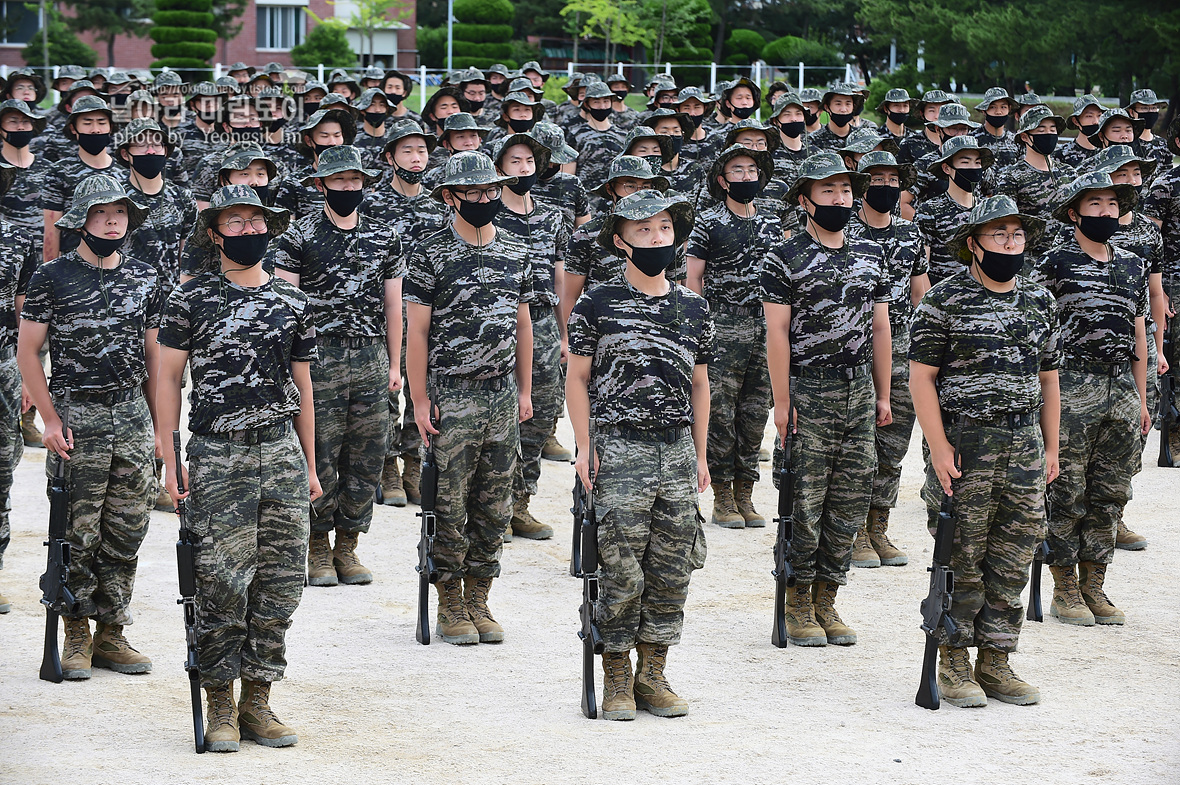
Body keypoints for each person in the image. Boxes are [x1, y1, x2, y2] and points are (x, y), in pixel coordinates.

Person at [158, 184, 317, 753]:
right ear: (214, 232)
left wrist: (311, 464)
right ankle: (219, 700)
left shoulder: (295, 304)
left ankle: (258, 700)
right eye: (236, 223)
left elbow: (303, 387)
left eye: (257, 222)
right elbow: (169, 380)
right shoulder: (189, 298)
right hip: (218, 454)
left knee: (279, 583)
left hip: (280, 454)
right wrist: (169, 456)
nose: (248, 232)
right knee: (222, 582)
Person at [566, 189, 712, 720]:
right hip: (618, 448)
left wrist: (700, 454)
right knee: (622, 569)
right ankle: (618, 676)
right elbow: (578, 379)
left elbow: (700, 384)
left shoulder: (693, 306)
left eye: (664, 229)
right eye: (644, 230)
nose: (657, 239)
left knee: (673, 566)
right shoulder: (597, 302)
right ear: (620, 241)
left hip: (675, 450)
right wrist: (585, 447)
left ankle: (654, 672)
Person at [909, 195, 1059, 707]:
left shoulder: (1039, 300)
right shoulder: (944, 300)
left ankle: (996, 659)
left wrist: (1051, 445)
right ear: (973, 244)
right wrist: (938, 444)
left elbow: (1049, 378)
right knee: (962, 557)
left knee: (1013, 557)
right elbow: (921, 379)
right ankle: (953, 659)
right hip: (968, 443)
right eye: (999, 235)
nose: (1010, 244)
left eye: (1016, 236)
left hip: (1025, 444)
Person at [17, 175, 159, 680]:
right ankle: (75, 628)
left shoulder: (145, 276)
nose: (112, 221)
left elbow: (154, 357)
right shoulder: (52, 276)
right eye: (101, 213)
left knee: (127, 527)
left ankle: (111, 630)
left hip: (133, 416)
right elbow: (28, 351)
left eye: (119, 212)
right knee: (78, 530)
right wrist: (50, 418)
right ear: (82, 219)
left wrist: (161, 431)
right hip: (79, 417)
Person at [761, 152, 892, 648]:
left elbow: (880, 326)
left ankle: (827, 598)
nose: (839, 200)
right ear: (805, 200)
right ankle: (797, 600)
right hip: (807, 389)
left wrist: (882, 393)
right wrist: (782, 399)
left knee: (850, 498)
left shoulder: (869, 254)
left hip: (858, 390)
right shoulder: (784, 255)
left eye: (844, 191)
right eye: (828, 192)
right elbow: (776, 332)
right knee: (806, 501)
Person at [404, 152, 533, 646]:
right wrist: (419, 400)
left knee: (495, 502)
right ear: (449, 197)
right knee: (450, 503)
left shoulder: (517, 250)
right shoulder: (430, 252)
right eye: (474, 192)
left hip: (501, 395)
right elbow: (416, 333)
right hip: (450, 396)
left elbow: (522, 323)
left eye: (491, 191)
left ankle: (479, 595)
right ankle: (449, 600)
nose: (485, 199)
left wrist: (524, 388)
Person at [272, 146, 402, 587]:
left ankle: (348, 544)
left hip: (370, 354)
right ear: (321, 183)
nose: (348, 188)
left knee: (366, 454)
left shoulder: (386, 236)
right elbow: (286, 306)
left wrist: (394, 362)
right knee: (319, 451)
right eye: (339, 181)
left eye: (355, 180)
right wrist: (292, 365)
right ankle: (317, 545)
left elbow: (394, 305)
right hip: (317, 355)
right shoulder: (298, 235)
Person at [1031, 172, 1150, 628]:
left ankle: (1094, 582)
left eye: (1112, 203)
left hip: (1119, 386)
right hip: (1070, 384)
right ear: (1073, 213)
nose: (1106, 212)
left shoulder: (1133, 263)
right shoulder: (1054, 263)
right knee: (1067, 491)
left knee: (1111, 492)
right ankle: (1063, 586)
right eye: (1095, 204)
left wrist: (1139, 398)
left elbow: (1139, 333)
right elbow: (1037, 329)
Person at [686, 144, 781, 529]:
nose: (746, 176)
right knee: (721, 412)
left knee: (757, 410)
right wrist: (693, 324)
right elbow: (694, 276)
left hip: (765, 325)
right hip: (723, 321)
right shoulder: (708, 222)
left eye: (752, 170)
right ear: (723, 180)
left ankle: (746, 491)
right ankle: (722, 494)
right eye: (737, 170)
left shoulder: (772, 223)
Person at [846, 151, 930, 568]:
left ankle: (878, 526)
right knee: (860, 445)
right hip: (856, 346)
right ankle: (854, 529)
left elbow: (921, 294)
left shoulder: (911, 234)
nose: (885, 186)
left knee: (893, 444)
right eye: (875, 179)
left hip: (901, 347)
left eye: (892, 179)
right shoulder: (844, 231)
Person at [366, 121, 450, 507]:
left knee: (426, 388)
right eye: (406, 151)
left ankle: (414, 464)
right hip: (386, 313)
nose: (416, 159)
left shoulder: (440, 207)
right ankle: (387, 467)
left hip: (430, 315)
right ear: (389, 157)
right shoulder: (371, 205)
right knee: (387, 391)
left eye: (421, 151)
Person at [491, 133, 567, 541]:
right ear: (499, 166)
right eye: (514, 160)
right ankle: (494, 509)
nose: (522, 168)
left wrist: (565, 333)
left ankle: (520, 503)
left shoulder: (553, 216)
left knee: (540, 414)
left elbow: (562, 278)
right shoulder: (488, 214)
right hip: (500, 323)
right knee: (502, 419)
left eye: (528, 161)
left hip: (543, 324)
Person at [1091, 144, 1162, 551]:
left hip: (1137, 342)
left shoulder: (1147, 233)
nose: (1129, 180)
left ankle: (1115, 514)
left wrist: (1159, 347)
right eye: (1121, 173)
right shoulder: (1080, 230)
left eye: (1136, 174)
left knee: (1134, 431)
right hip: (1088, 356)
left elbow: (1154, 297)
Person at [0, 162, 35, 612]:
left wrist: (29, 373)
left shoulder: (15, 238)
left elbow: (26, 311)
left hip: (3, 365)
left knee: (2, 468)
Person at [40, 95, 118, 262]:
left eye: (102, 123)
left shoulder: (125, 170)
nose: (95, 129)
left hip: (120, 268)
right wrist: (49, 276)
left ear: (110, 127)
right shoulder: (59, 172)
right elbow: (51, 230)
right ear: (74, 128)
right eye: (87, 123)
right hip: (72, 265)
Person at [992, 106, 1076, 254]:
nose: (1048, 135)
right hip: (1030, 258)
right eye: (1041, 130)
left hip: (1068, 255)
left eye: (1052, 130)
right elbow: (1005, 222)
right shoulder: (1011, 176)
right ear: (1025, 137)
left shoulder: (1069, 172)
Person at [915, 136, 994, 286]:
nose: (973, 168)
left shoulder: (988, 209)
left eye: (977, 163)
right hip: (943, 296)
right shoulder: (929, 210)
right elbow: (921, 267)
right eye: (965, 162)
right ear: (946, 168)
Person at [568, 82, 626, 190]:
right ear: (587, 104)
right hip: (586, 198)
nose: (602, 106)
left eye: (606, 101)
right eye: (596, 102)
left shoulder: (622, 135)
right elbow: (568, 175)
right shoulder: (575, 135)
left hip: (615, 198)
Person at [972, 87, 1021, 167]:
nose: (998, 112)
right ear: (984, 110)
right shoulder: (973, 140)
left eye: (1003, 107)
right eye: (992, 107)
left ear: (1009, 109)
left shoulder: (1015, 141)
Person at [807, 83, 864, 151]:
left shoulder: (861, 137)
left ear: (853, 107)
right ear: (827, 107)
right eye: (838, 104)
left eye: (848, 104)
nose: (843, 109)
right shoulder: (814, 140)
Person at [1054, 95, 1106, 169]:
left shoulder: (1107, 153)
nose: (1096, 121)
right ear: (1075, 121)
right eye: (1089, 116)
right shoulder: (1062, 155)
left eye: (1099, 115)